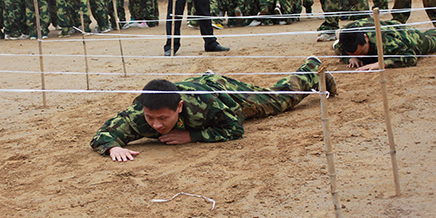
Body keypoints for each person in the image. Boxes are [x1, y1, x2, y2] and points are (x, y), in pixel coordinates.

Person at [90, 56, 336, 161]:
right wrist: (113, 147)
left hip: (219, 92)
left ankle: (311, 69)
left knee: (277, 101)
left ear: (179, 107)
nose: (156, 124)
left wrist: (192, 136)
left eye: (163, 118)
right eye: (150, 118)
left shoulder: (204, 105)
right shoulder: (138, 115)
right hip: (194, 87)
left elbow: (234, 127)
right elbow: (103, 134)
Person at [334, 16, 436, 70]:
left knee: (435, 40)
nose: (361, 57)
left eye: (363, 51)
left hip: (408, 38)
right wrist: (350, 58)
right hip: (388, 27)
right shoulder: (346, 36)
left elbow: (410, 57)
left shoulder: (387, 41)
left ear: (366, 38)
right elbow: (337, 47)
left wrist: (381, 64)